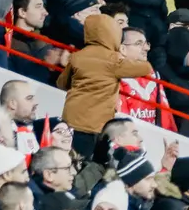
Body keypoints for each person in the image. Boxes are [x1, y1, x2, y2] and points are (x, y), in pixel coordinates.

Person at [57, 14, 154, 158]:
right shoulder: (113, 59)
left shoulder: (79, 56)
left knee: (71, 159)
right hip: (95, 124)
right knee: (87, 164)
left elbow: (62, 83)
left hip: (71, 118)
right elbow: (145, 68)